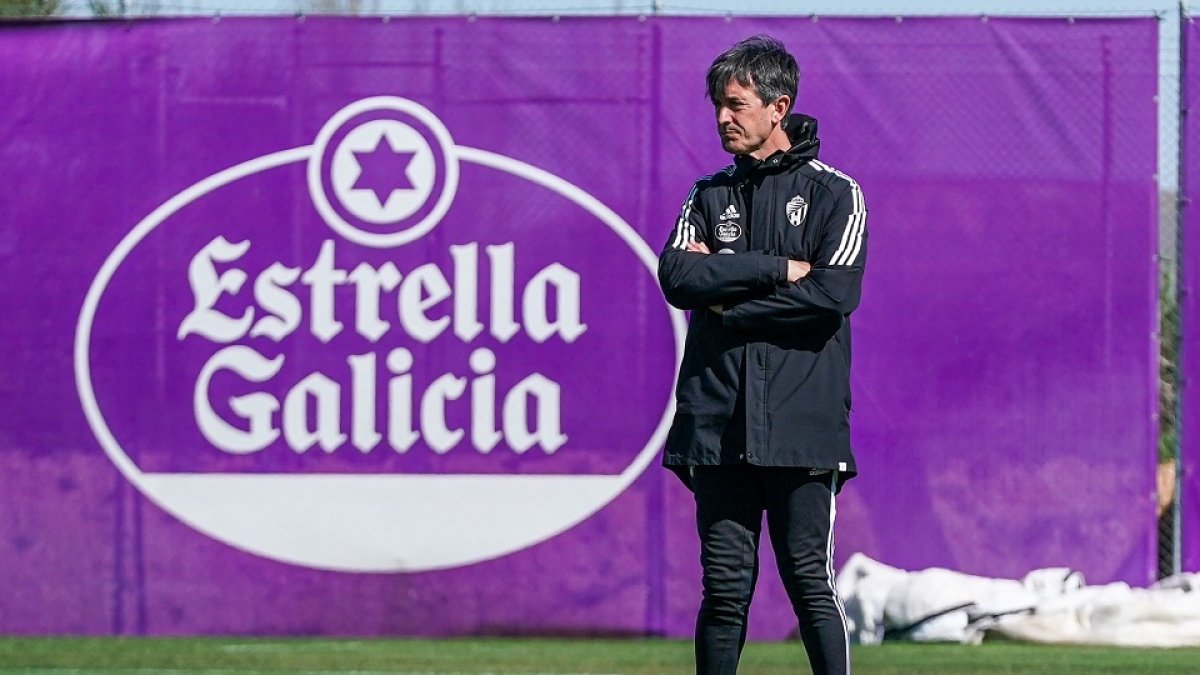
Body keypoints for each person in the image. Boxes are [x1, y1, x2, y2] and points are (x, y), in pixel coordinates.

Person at [657, 35, 868, 675]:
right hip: (717, 423)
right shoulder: (708, 193)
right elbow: (676, 277)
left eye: (736, 104)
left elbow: (833, 295)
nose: (723, 117)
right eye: (717, 105)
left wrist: (730, 303)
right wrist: (776, 268)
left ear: (778, 107)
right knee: (723, 592)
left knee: (810, 582)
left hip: (802, 424)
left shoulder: (836, 194)